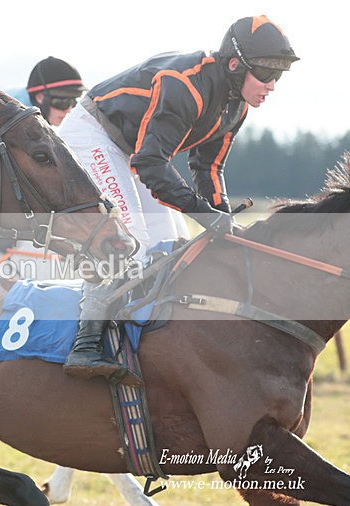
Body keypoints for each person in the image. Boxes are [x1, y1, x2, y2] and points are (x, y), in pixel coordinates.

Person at [58, 15, 299, 385]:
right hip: (94, 135)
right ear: (235, 65)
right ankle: (86, 344)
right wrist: (205, 213)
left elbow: (208, 168)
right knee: (127, 240)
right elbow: (151, 164)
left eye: (279, 76)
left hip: (131, 150)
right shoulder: (185, 84)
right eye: (266, 73)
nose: (272, 85)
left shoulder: (237, 105)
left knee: (171, 241)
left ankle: (145, 338)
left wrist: (221, 220)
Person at [6, 56, 87, 126]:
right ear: (40, 97)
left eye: (73, 103)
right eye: (63, 103)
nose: (68, 110)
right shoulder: (10, 114)